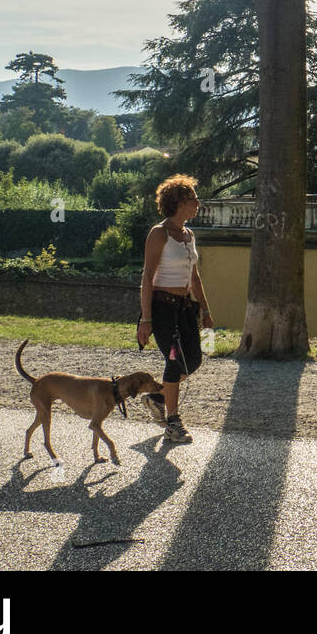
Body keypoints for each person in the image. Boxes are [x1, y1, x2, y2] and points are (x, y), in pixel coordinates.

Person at [138, 174, 213, 443]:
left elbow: (194, 277)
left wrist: (204, 310)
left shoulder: (188, 234)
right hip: (162, 309)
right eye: (193, 197)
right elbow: (147, 277)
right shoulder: (159, 234)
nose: (197, 202)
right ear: (179, 202)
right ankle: (173, 422)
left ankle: (158, 397)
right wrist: (145, 319)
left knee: (193, 360)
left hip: (184, 309)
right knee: (174, 360)